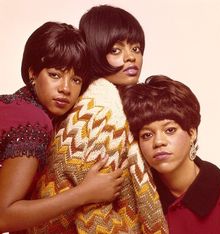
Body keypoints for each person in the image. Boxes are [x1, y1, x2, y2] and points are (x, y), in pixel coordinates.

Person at [30, 5, 168, 234]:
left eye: (136, 48)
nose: (131, 57)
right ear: (95, 53)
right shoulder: (103, 109)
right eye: (116, 50)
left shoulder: (91, 98)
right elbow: (94, 212)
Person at [0, 21, 124, 233]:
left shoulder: (11, 104)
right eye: (55, 75)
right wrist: (84, 193)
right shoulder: (33, 123)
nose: (65, 88)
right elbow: (3, 217)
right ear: (33, 73)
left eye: (76, 80)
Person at [121, 74, 220, 233]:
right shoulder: (134, 197)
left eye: (170, 130)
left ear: (192, 133)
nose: (159, 142)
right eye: (147, 135)